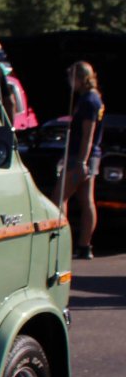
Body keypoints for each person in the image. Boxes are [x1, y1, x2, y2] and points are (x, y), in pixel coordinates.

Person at [56, 60, 104, 259]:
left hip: (80, 156)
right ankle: (85, 246)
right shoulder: (93, 99)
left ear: (80, 79)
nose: (70, 82)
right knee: (86, 201)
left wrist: (80, 162)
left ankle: (60, 243)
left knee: (59, 197)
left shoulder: (88, 102)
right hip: (89, 156)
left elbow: (88, 135)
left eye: (72, 78)